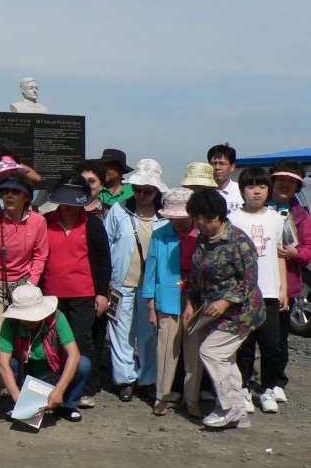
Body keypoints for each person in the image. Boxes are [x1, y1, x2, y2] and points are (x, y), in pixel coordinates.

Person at [184, 188, 264, 429]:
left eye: (198, 217)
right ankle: (238, 409)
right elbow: (197, 275)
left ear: (215, 216)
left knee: (211, 352)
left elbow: (248, 281)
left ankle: (227, 407)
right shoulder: (202, 239)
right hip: (212, 311)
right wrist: (191, 302)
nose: (196, 222)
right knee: (225, 359)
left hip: (241, 312)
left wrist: (226, 301)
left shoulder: (239, 242)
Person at [0, 172, 48, 404]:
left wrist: (30, 285)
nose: (8, 195)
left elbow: (40, 256)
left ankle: (28, 381)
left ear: (27, 196)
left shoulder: (39, 222)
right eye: (5, 191)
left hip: (25, 285)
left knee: (26, 337)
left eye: (15, 191)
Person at [41, 174, 111, 409]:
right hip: (51, 294)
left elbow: (103, 260)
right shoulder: (46, 220)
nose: (68, 206)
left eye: (74, 200)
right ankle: (57, 384)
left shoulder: (92, 223)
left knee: (81, 339)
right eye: (64, 200)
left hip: (84, 293)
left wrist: (102, 293)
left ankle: (87, 388)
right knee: (54, 341)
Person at [104, 159, 168, 402]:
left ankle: (148, 378)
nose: (142, 194)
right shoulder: (119, 210)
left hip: (151, 286)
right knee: (120, 332)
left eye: (148, 190)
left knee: (149, 332)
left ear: (157, 191)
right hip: (120, 283)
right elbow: (107, 243)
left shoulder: (165, 216)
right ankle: (125, 379)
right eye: (138, 189)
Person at [229, 167, 287, 414]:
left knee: (272, 345)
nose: (257, 192)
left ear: (268, 190)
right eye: (251, 187)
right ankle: (241, 390)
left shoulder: (277, 218)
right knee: (244, 345)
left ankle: (267, 389)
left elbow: (281, 255)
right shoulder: (233, 219)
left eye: (262, 187)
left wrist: (283, 287)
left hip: (270, 292)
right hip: (242, 293)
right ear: (242, 190)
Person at [141, 187, 203, 417]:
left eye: (181, 217)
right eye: (172, 217)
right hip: (166, 298)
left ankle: (192, 399)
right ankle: (162, 397)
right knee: (166, 349)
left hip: (196, 299)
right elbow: (151, 271)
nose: (176, 222)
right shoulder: (159, 234)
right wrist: (150, 304)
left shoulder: (202, 234)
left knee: (193, 351)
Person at [0, 286, 90, 422]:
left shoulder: (57, 318)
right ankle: (22, 402)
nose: (31, 320)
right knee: (9, 364)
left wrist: (59, 390)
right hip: (25, 371)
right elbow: (2, 364)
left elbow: (74, 355)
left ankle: (67, 405)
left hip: (55, 370)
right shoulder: (10, 324)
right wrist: (18, 399)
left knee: (83, 364)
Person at [268, 159, 311, 402]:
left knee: (279, 338)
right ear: (272, 180)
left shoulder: (301, 215)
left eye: (291, 182)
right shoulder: (257, 206)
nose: (285, 185)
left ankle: (276, 380)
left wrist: (296, 254)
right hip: (256, 283)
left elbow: (308, 249)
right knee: (250, 336)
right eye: (281, 179)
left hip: (288, 284)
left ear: (297, 187)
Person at [207, 143, 243, 213]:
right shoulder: (204, 193)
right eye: (214, 164)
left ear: (232, 167)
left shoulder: (241, 191)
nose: (217, 168)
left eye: (222, 164)